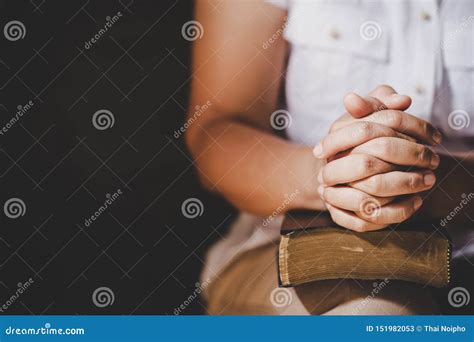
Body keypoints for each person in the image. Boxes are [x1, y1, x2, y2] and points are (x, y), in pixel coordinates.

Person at [185, 0, 473, 314]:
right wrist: (329, 174)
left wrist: (418, 177)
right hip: (288, 243)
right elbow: (217, 131)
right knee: (372, 318)